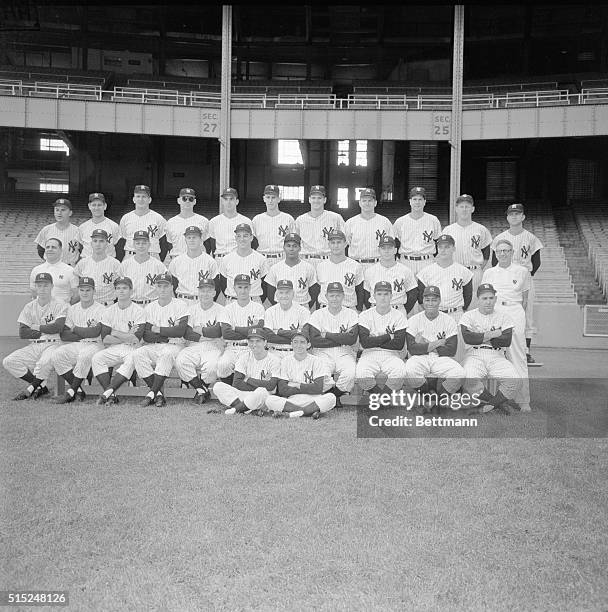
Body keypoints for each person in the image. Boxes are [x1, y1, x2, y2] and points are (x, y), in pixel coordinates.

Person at [491, 203, 543, 366]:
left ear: (523, 217)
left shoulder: (531, 237)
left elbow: (537, 261)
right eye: (511, 214)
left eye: (517, 213)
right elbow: (494, 262)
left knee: (527, 314)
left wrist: (525, 276)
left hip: (523, 277)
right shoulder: (499, 238)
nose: (514, 216)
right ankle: (500, 347)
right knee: (499, 312)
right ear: (507, 217)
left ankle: (526, 351)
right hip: (503, 279)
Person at [481, 239, 531, 412]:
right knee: (492, 353)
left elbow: (525, 299)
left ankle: (524, 400)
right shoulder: (489, 273)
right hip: (495, 313)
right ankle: (496, 398)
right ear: (495, 253)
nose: (503, 254)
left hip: (514, 311)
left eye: (506, 251)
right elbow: (485, 297)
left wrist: (516, 315)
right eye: (500, 251)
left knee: (518, 355)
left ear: (512, 252)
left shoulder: (522, 271)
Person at [3, 272, 68, 400]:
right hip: (34, 345)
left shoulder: (60, 304)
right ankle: (41, 387)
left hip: (53, 344)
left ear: (52, 286)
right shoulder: (29, 306)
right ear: (35, 287)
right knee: (9, 361)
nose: (42, 289)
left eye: (45, 285)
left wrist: (36, 327)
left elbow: (58, 327)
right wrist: (46, 330)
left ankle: (31, 388)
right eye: (39, 285)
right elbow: (23, 333)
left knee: (43, 363)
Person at [460, 283, 521, 414]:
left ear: (495, 299)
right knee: (467, 378)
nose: (488, 302)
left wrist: (479, 336)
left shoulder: (504, 316)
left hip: (497, 355)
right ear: (478, 299)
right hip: (474, 354)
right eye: (484, 298)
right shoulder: (468, 316)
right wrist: (494, 334)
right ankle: (497, 403)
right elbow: (468, 338)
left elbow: (506, 341)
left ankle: (489, 406)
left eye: (491, 298)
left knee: (515, 380)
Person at [131, 273, 189, 407]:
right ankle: (158, 394)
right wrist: (168, 331)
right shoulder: (149, 307)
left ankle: (151, 394)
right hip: (153, 345)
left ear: (172, 287)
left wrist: (157, 329)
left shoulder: (181, 305)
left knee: (166, 354)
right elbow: (146, 335)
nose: (162, 289)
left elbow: (180, 331)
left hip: (174, 345)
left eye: (166, 286)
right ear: (155, 288)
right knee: (137, 354)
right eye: (159, 286)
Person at [404, 286, 465, 411]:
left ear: (439, 301)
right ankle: (428, 397)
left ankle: (436, 401)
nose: (430, 303)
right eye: (427, 300)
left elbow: (451, 350)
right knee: (409, 371)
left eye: (434, 300)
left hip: (440, 358)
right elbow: (412, 349)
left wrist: (424, 344)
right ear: (423, 301)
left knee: (460, 374)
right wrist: (438, 343)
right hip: (419, 358)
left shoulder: (449, 320)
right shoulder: (414, 320)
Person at [416, 234, 473, 363]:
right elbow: (420, 298)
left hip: (456, 315)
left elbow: (468, 296)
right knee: (431, 356)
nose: (443, 250)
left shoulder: (463, 271)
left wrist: (458, 309)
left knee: (456, 356)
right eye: (440, 247)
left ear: (453, 248)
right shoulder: (426, 271)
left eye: (447, 247)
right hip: (433, 315)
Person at [92, 276, 146, 406]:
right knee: (97, 358)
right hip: (114, 347)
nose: (121, 291)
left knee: (131, 359)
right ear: (115, 291)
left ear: (131, 291)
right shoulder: (108, 311)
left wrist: (114, 332)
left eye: (125, 288)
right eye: (118, 288)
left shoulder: (139, 310)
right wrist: (126, 335)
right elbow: (105, 338)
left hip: (131, 348)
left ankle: (107, 393)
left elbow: (135, 339)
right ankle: (111, 395)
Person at [52, 277, 106, 403]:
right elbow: (64, 335)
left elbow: (97, 332)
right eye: (82, 290)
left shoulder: (101, 309)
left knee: (84, 356)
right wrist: (86, 332)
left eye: (88, 290)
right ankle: (79, 390)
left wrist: (75, 329)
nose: (85, 293)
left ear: (94, 291)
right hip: (78, 344)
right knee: (56, 355)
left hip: (96, 345)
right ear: (78, 291)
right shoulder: (72, 309)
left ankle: (70, 392)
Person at [305, 282, 358, 407]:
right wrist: (342, 337)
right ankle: (335, 396)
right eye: (332, 295)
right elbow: (315, 340)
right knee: (321, 375)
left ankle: (333, 395)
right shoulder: (317, 314)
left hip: (344, 351)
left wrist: (327, 335)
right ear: (326, 296)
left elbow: (351, 339)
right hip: (322, 352)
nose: (335, 298)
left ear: (343, 296)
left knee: (351, 372)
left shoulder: (351, 314)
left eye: (338, 295)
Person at [174, 278, 226, 405]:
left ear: (214, 293)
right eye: (202, 290)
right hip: (194, 344)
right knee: (180, 361)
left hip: (213, 346)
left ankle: (201, 388)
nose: (205, 294)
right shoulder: (191, 309)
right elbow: (187, 333)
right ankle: (201, 389)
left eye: (209, 291)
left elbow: (218, 332)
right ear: (198, 292)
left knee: (212, 368)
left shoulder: (221, 309)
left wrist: (200, 330)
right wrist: (207, 334)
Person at [265, 329, 336, 419]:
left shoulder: (317, 361)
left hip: (313, 399)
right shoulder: (285, 361)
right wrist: (307, 387)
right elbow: (283, 390)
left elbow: (318, 388)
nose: (298, 345)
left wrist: (296, 385)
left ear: (308, 345)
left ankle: (290, 414)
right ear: (291, 344)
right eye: (295, 342)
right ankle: (310, 412)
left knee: (331, 398)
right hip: (292, 400)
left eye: (302, 342)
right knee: (269, 400)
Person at [355, 281, 408, 396]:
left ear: (391, 296)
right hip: (369, 353)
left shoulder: (399, 315)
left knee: (400, 371)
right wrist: (388, 336)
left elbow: (398, 344)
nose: (383, 297)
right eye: (379, 294)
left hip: (392, 354)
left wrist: (373, 340)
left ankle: (383, 397)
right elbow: (365, 343)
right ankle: (382, 397)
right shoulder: (365, 315)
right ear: (373, 296)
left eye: (386, 294)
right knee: (361, 373)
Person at [212, 328, 281, 415]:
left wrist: (247, 379)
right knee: (218, 386)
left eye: (258, 341)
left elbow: (271, 386)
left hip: (263, 397)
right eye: (251, 341)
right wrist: (262, 383)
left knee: (261, 391)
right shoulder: (243, 358)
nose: (254, 344)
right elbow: (236, 384)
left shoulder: (274, 360)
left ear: (265, 342)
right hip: (244, 395)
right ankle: (249, 410)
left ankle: (236, 409)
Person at [442, 194, 492, 306]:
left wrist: (478, 267)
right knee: (454, 301)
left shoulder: (480, 229)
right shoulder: (448, 230)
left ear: (472, 209)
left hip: (474, 271)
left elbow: (486, 253)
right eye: (461, 206)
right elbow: (442, 253)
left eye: (467, 206)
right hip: (455, 270)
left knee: (474, 303)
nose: (464, 209)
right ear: (456, 209)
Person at [216, 274, 266, 381]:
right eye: (239, 287)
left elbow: (259, 331)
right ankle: (230, 394)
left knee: (250, 370)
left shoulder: (258, 307)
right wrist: (250, 330)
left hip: (251, 347)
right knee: (223, 365)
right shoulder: (227, 309)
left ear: (250, 288)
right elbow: (226, 334)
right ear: (234, 288)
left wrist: (236, 328)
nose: (243, 291)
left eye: (246, 287)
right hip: (232, 348)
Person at [392, 186, 441, 276]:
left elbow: (439, 241)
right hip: (406, 261)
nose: (417, 202)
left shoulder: (433, 220)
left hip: (427, 261)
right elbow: (395, 242)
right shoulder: (400, 221)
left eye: (420, 199)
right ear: (410, 201)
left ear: (424, 202)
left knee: (428, 289)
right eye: (414, 199)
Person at [363, 236, 418, 314]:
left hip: (398, 309)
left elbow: (412, 293)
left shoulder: (405, 270)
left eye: (389, 248)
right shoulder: (370, 271)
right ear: (379, 250)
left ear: (395, 250)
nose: (386, 251)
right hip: (375, 311)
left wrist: (403, 309)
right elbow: (366, 294)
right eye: (383, 248)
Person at [294, 185, 345, 267]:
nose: (316, 200)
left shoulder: (335, 218)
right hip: (306, 261)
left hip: (328, 261)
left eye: (319, 198)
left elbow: (344, 241)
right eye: (313, 198)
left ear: (324, 200)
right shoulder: (300, 220)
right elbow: (295, 242)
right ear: (309, 199)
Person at [344, 187, 393, 271]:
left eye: (370, 200)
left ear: (375, 203)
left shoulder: (385, 222)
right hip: (355, 265)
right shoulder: (350, 223)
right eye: (364, 200)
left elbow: (391, 246)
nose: (367, 203)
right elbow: (344, 246)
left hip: (378, 265)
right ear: (359, 203)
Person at [264, 233, 319, 308]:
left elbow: (314, 291)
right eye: (288, 246)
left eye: (295, 246)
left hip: (302, 306)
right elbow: (270, 292)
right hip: (281, 307)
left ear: (300, 248)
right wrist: (278, 307)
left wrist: (305, 307)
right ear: (284, 248)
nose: (291, 249)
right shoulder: (275, 268)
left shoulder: (308, 267)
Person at [116, 185, 169, 261]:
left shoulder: (158, 218)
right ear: (134, 199)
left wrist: (159, 260)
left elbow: (164, 242)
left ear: (149, 199)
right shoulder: (126, 218)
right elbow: (122, 241)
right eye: (138, 196)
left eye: (144, 196)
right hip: (130, 256)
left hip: (152, 256)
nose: (141, 199)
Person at [316, 230, 364, 311]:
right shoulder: (321, 266)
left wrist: (359, 310)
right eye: (333, 243)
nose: (336, 245)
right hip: (325, 310)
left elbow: (360, 291)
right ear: (329, 245)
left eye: (339, 242)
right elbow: (318, 291)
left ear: (345, 244)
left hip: (349, 310)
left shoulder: (355, 266)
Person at [168, 225, 219, 302]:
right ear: (185, 240)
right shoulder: (176, 262)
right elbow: (173, 285)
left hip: (202, 301)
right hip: (182, 301)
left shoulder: (210, 261)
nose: (191, 240)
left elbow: (216, 287)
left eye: (194, 237)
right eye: (189, 237)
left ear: (201, 240)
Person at [219, 223, 267, 303]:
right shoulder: (227, 259)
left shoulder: (260, 259)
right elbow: (223, 283)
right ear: (235, 238)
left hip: (254, 301)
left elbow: (265, 285)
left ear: (251, 237)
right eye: (239, 236)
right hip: (232, 301)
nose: (242, 239)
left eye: (245, 236)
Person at [74, 229, 123, 306]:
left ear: (107, 244)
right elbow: (75, 284)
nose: (98, 244)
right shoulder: (83, 263)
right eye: (95, 241)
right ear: (91, 243)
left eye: (101, 241)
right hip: (88, 305)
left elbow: (121, 287)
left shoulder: (115, 264)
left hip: (108, 305)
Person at [251, 185, 295, 267]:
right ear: (264, 199)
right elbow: (250, 242)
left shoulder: (288, 219)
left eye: (273, 197)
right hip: (262, 258)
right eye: (268, 197)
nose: (270, 200)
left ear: (279, 199)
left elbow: (294, 241)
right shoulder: (256, 220)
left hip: (282, 258)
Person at [263, 280, 310, 354]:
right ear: (276, 295)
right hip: (273, 352)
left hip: (295, 353)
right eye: (281, 293)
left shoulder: (303, 311)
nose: (284, 296)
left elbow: (305, 335)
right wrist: (294, 334)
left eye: (287, 292)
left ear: (293, 294)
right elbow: (268, 336)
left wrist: (278, 332)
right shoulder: (270, 311)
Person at [120, 230, 167, 306]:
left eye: (144, 243)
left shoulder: (159, 265)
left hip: (152, 304)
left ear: (149, 244)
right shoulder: (125, 265)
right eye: (138, 243)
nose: (141, 246)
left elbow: (165, 288)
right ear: (133, 245)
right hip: (131, 304)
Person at [165, 187, 210, 260]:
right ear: (178, 200)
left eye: (191, 199)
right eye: (184, 198)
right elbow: (169, 244)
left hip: (198, 260)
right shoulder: (170, 222)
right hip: (177, 260)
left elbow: (208, 244)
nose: (187, 201)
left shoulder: (203, 221)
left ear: (194, 201)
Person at [207, 187, 252, 259]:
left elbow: (250, 244)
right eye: (226, 199)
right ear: (222, 201)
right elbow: (212, 244)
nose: (228, 202)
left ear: (237, 201)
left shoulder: (246, 221)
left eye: (231, 199)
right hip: (220, 258)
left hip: (238, 258)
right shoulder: (214, 221)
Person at [35, 198, 82, 266]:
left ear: (70, 213)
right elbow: (41, 250)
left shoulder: (78, 231)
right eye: (57, 210)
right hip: (51, 267)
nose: (59, 213)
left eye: (63, 210)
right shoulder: (46, 230)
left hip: (70, 268)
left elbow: (83, 251)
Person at [30, 238, 78, 304]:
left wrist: (66, 307)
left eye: (53, 247)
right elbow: (34, 293)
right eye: (47, 247)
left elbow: (76, 295)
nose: (50, 249)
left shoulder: (70, 271)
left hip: (63, 312)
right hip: (42, 311)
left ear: (61, 250)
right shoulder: (36, 270)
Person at [78, 192, 120, 259]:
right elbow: (80, 247)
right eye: (94, 205)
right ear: (89, 206)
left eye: (99, 205)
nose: (96, 208)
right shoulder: (82, 227)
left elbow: (118, 246)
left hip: (107, 264)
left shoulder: (114, 226)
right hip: (87, 264)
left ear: (105, 206)